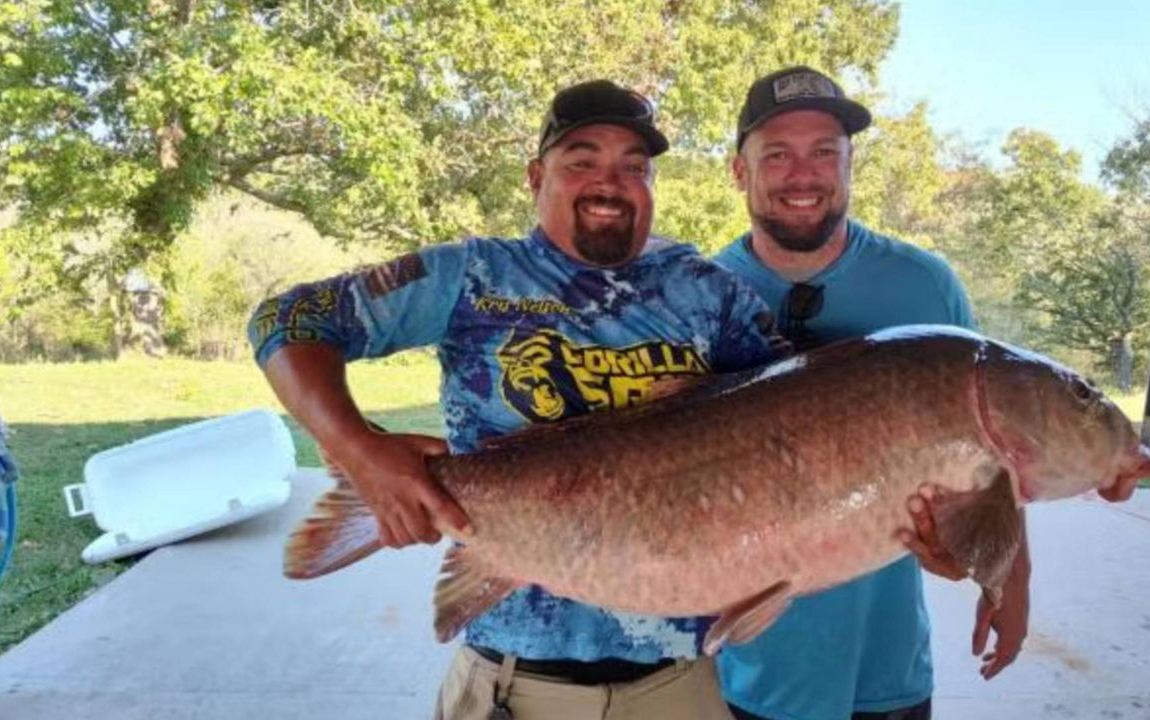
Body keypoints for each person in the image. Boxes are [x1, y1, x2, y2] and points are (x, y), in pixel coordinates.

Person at [248, 79, 782, 720]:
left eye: (632, 167)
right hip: (512, 685)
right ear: (536, 176)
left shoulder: (707, 292)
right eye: (582, 161)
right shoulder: (472, 275)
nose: (609, 183)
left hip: (678, 684)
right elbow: (288, 321)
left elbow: (797, 408)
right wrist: (358, 449)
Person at [712, 66, 1033, 720]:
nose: (803, 173)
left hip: (887, 670)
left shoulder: (926, 287)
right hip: (750, 670)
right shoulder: (700, 292)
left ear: (850, 164)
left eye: (825, 152)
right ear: (740, 171)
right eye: (777, 154)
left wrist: (1011, 583)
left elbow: (990, 448)